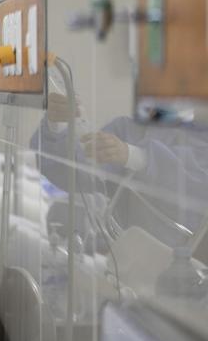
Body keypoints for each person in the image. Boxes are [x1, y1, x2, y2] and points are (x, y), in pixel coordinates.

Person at [32, 92, 208, 246]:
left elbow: (194, 187)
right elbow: (71, 173)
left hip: (183, 266)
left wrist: (134, 156)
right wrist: (58, 125)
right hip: (127, 257)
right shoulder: (130, 130)